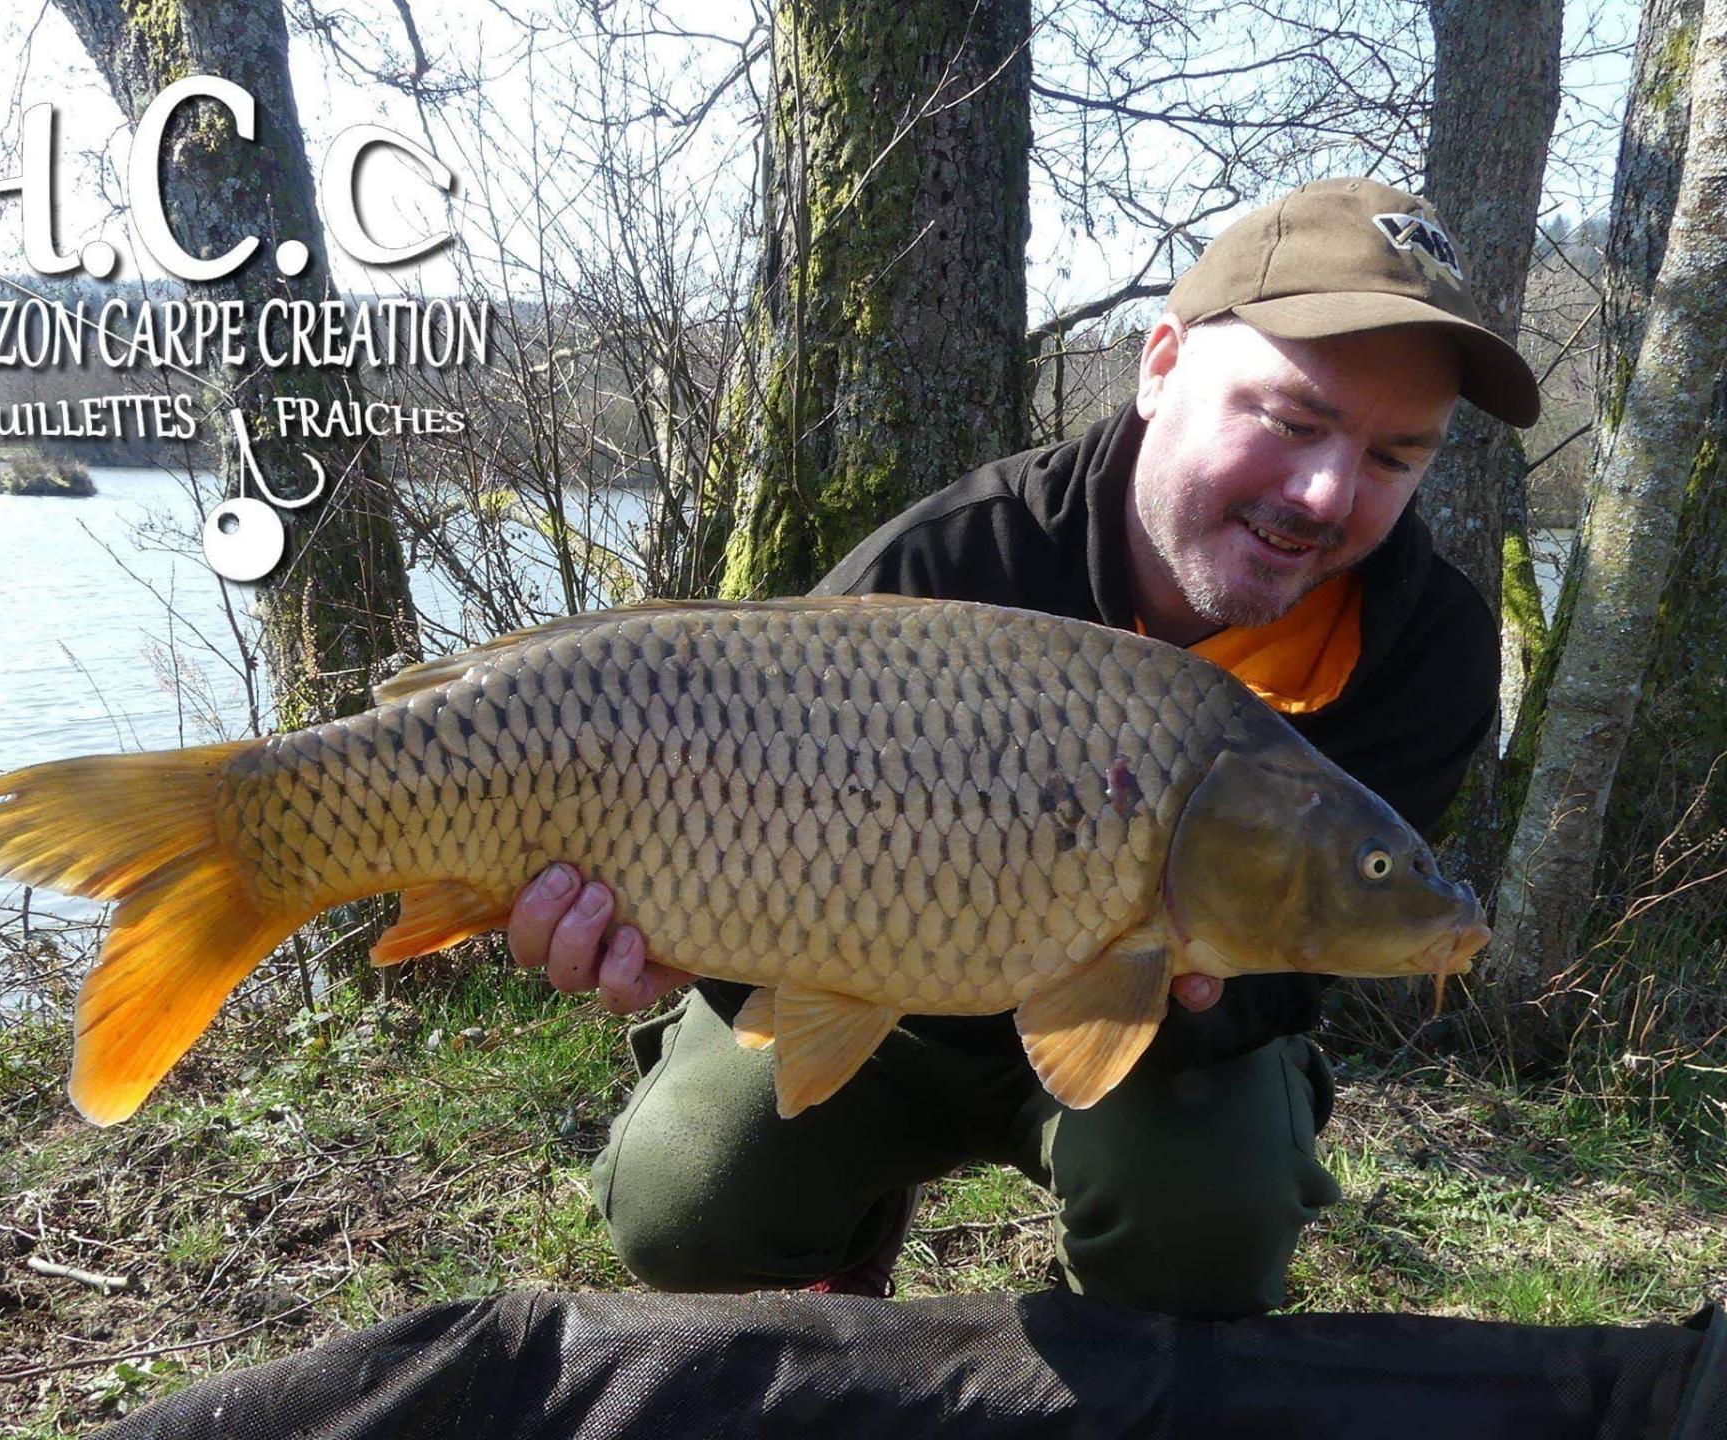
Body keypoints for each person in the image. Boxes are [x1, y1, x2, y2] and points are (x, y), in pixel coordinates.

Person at [505, 177, 1541, 1319]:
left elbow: (1303, 961)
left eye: (1395, 458)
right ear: (1160, 366)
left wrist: (1156, 983)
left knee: (1207, 1223)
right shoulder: (952, 561)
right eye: (1292, 421)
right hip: (881, 998)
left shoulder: (1427, 648)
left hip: (1163, 1043)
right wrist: (678, 936)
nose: (1326, 492)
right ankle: (849, 1229)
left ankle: (1101, 1368)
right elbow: (735, 827)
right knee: (684, 1202)